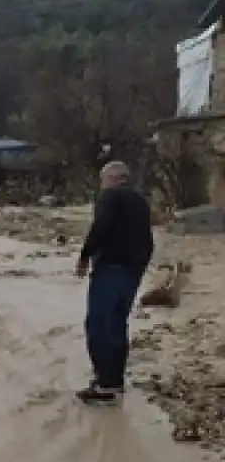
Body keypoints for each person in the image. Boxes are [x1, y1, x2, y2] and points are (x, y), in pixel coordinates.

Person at [75, 160, 154, 405]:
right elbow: (148, 241)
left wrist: (84, 256)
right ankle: (114, 381)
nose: (102, 185)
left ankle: (105, 384)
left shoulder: (111, 197)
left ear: (113, 179)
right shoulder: (141, 201)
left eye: (103, 180)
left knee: (99, 324)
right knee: (117, 324)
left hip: (111, 268)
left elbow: (101, 227)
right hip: (133, 271)